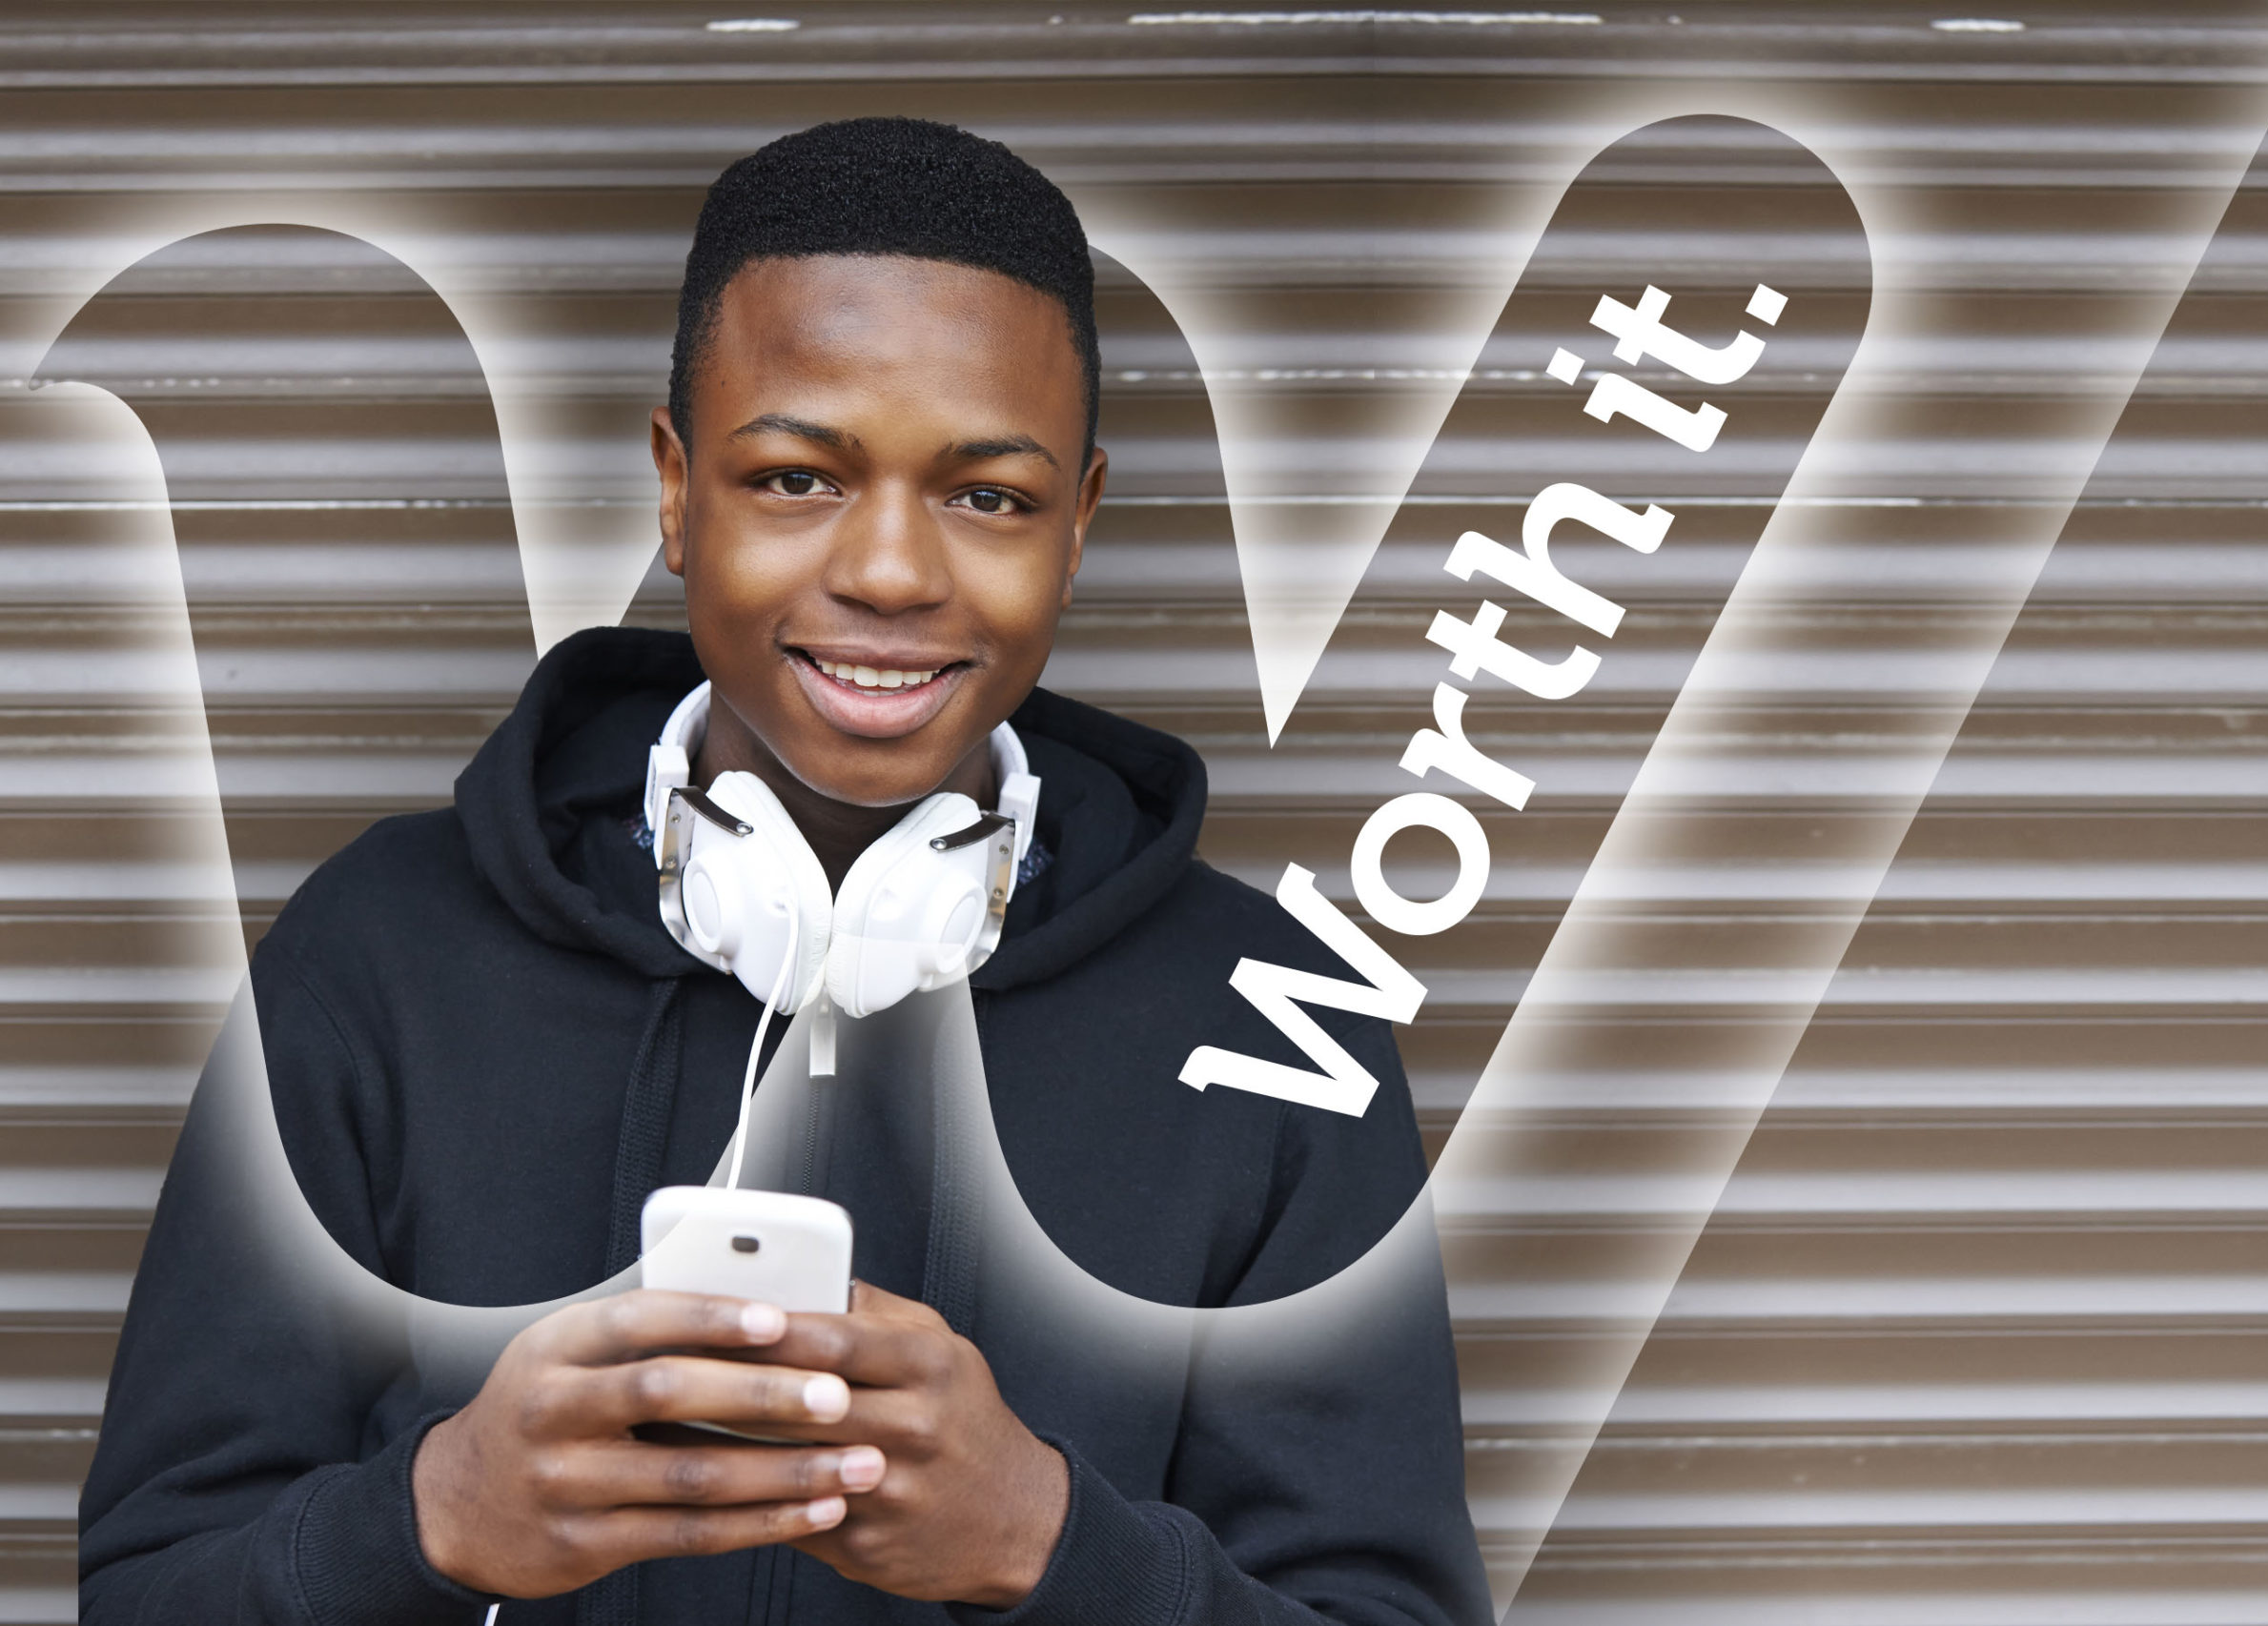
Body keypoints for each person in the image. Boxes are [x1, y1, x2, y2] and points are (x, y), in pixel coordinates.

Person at [76, 117, 1489, 1626]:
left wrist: (1053, 1543)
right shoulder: (378, 954)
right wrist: (428, 1517)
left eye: (989, 495)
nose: (889, 571)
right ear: (678, 492)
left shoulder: (1281, 1019)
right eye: (798, 478)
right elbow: (152, 1588)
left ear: (1078, 524)